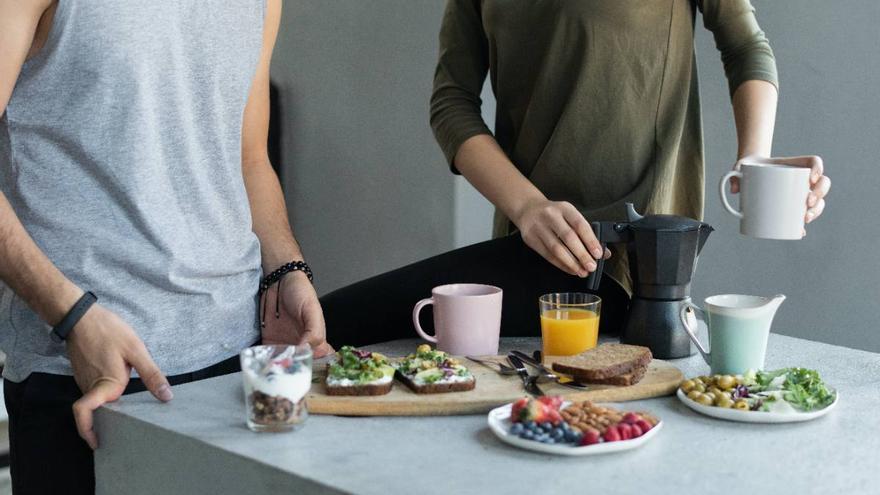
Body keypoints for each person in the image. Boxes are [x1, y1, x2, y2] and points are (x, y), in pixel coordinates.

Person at [321, 0, 831, 346]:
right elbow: (451, 102)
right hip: (527, 247)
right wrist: (527, 207)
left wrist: (754, 160)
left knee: (332, 324)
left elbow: (746, 47)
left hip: (633, 267)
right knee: (328, 331)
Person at [0, 0, 331, 493]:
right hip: (92, 365)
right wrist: (74, 317)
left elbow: (249, 158)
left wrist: (285, 269)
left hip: (234, 362)